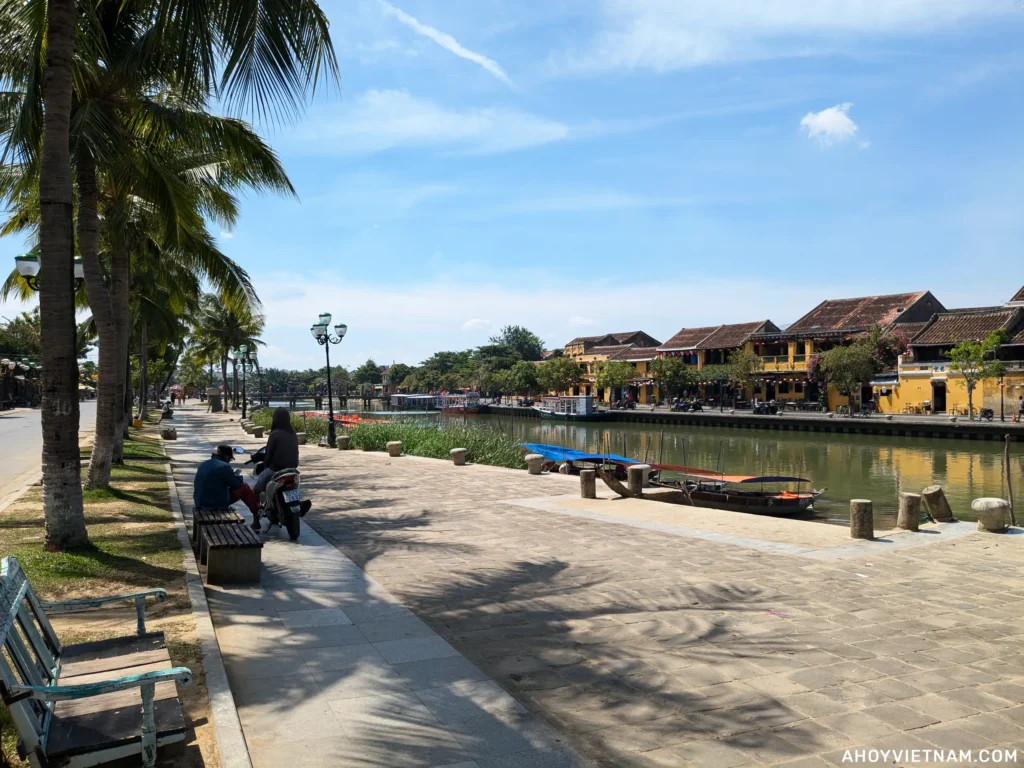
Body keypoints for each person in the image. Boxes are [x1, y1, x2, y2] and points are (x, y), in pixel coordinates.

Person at [193, 445, 260, 527]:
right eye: (230, 459)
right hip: (213, 504)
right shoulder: (224, 466)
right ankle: (257, 517)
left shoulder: (204, 464)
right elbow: (236, 485)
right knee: (244, 488)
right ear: (226, 456)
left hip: (200, 502)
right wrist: (237, 477)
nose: (229, 461)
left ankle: (257, 518)